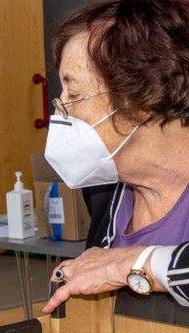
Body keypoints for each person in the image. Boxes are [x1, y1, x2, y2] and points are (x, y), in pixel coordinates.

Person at [41, 0, 189, 312]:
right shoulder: (103, 193)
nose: (60, 112)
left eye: (75, 95)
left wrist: (135, 263)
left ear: (143, 100)